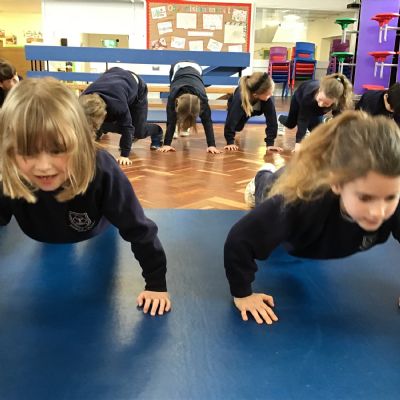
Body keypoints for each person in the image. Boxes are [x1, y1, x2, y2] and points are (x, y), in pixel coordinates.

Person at [0, 78, 171, 316]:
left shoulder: (102, 170)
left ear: (79, 141)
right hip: (41, 230)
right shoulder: (9, 172)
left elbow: (139, 229)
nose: (43, 166)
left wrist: (156, 285)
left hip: (94, 227)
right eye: (28, 152)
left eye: (57, 150)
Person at [224, 111, 400, 325]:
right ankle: (262, 174)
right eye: (365, 198)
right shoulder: (298, 203)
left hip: (314, 230)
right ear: (337, 184)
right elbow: (239, 240)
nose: (378, 212)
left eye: (390, 197)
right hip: (281, 189)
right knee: (268, 188)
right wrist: (242, 294)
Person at [79, 67, 164, 166]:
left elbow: (127, 127)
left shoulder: (118, 106)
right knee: (97, 125)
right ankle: (101, 130)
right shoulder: (81, 102)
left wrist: (124, 155)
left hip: (136, 87)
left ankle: (157, 132)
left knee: (138, 131)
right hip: (114, 78)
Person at [158, 61, 222, 154]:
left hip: (196, 69)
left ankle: (185, 127)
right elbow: (170, 120)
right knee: (174, 118)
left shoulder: (202, 100)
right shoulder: (173, 97)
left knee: (189, 114)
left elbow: (207, 121)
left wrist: (211, 145)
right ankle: (176, 129)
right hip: (177, 68)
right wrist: (167, 144)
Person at [278, 73, 353, 151]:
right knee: (291, 124)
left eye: (326, 103)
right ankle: (280, 118)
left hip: (316, 108)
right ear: (319, 90)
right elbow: (303, 120)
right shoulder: (308, 96)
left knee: (316, 130)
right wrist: (299, 143)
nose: (321, 104)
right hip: (299, 99)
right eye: (320, 99)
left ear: (335, 101)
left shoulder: (339, 103)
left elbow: (338, 122)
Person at [224, 72, 281, 152]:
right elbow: (231, 120)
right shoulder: (239, 99)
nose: (271, 95)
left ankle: (246, 115)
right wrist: (230, 142)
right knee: (238, 127)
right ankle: (243, 119)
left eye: (272, 92)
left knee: (240, 124)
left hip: (255, 109)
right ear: (255, 95)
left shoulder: (268, 100)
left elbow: (272, 121)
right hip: (241, 106)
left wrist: (270, 144)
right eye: (268, 94)